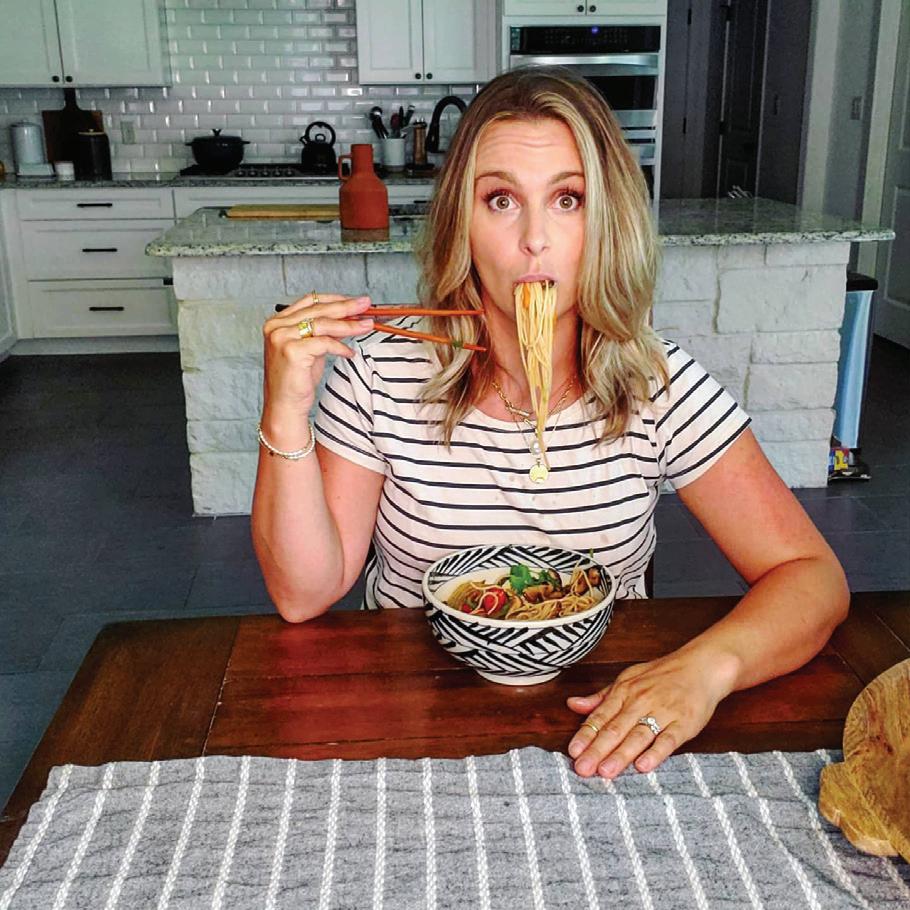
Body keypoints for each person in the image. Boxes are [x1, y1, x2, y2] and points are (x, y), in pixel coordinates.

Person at [251, 67, 849, 781]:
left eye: (568, 199)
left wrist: (704, 671)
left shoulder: (652, 380)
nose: (535, 239)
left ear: (605, 221)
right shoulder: (382, 371)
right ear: (461, 223)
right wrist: (285, 407)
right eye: (500, 200)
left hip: (603, 719)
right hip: (414, 713)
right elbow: (304, 594)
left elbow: (813, 579)